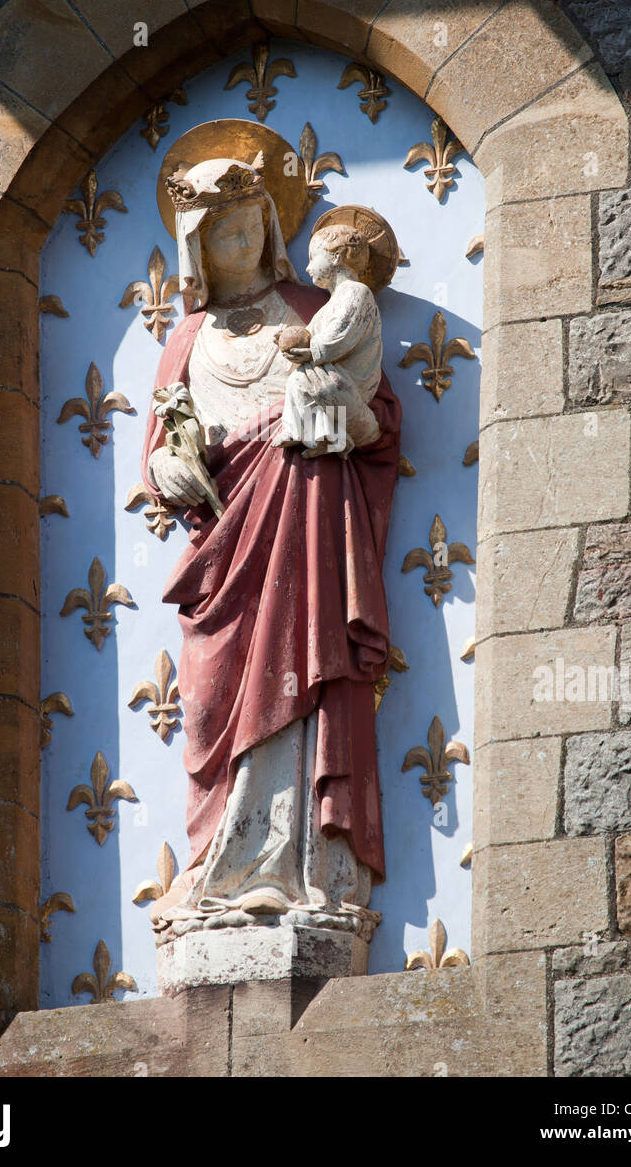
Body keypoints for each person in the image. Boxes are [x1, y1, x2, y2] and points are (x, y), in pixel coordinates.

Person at [141, 151, 401, 943]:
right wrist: (171, 465)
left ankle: (304, 869)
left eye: (253, 227)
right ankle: (222, 866)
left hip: (307, 527)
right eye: (223, 234)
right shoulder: (187, 339)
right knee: (216, 697)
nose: (242, 245)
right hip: (223, 556)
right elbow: (158, 450)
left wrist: (328, 426)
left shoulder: (319, 312)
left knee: (306, 670)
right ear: (196, 247)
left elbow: (378, 423)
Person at [272, 221, 384, 458]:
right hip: (333, 373)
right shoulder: (326, 307)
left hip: (352, 381)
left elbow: (342, 335)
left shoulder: (356, 292)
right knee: (299, 380)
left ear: (335, 258)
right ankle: (315, 435)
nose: (308, 267)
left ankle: (326, 436)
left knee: (305, 379)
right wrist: (286, 341)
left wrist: (312, 351)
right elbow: (309, 335)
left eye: (313, 258)